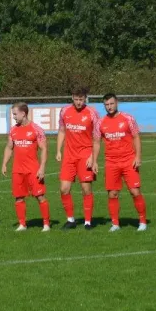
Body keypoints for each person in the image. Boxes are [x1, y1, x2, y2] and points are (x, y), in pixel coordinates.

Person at [92, 94, 147, 232]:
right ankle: (115, 224)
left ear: (117, 103)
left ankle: (142, 222)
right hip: (111, 162)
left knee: (135, 192)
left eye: (111, 104)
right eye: (106, 105)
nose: (109, 107)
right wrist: (94, 161)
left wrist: (138, 157)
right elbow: (97, 143)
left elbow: (136, 137)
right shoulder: (100, 122)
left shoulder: (128, 118)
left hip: (129, 160)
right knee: (112, 194)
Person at [56, 86, 100, 230]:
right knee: (64, 189)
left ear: (85, 98)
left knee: (86, 188)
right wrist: (58, 150)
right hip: (69, 155)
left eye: (81, 99)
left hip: (85, 155)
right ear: (72, 98)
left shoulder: (92, 113)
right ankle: (70, 220)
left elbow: (96, 137)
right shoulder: (64, 111)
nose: (79, 102)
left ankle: (88, 221)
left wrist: (93, 156)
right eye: (76, 99)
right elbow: (62, 131)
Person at [1, 102, 50, 232]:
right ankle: (22, 224)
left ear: (23, 113)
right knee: (18, 197)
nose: (14, 117)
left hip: (33, 169)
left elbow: (44, 149)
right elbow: (9, 147)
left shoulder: (36, 129)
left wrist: (42, 168)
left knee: (40, 196)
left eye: (15, 114)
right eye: (13, 114)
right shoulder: (13, 130)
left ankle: (46, 224)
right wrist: (4, 163)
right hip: (17, 170)